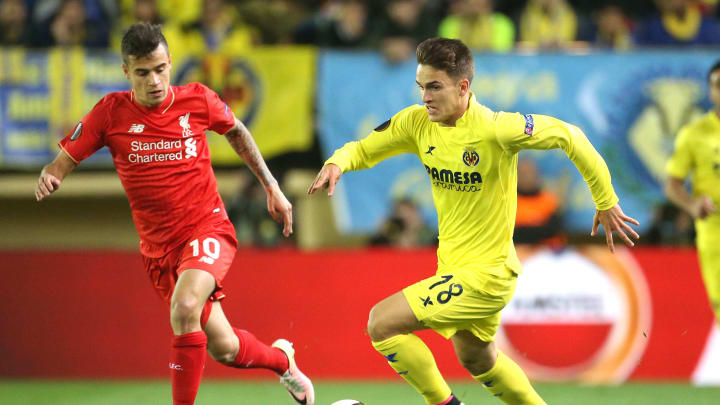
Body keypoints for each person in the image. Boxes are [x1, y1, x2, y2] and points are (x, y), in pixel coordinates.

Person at [308, 38, 639, 405]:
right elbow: (364, 148)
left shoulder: (497, 129)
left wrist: (606, 200)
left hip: (487, 275)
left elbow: (570, 136)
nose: (425, 98)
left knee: (381, 323)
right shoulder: (417, 124)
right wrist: (338, 161)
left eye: (434, 87)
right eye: (421, 87)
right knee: (478, 358)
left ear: (463, 87)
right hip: (453, 268)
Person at [34, 23, 313, 405]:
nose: (154, 80)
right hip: (159, 251)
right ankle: (283, 362)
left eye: (161, 69)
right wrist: (52, 174)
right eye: (143, 72)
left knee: (184, 309)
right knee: (225, 348)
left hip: (207, 228)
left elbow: (237, 131)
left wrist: (271, 185)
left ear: (170, 64)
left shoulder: (196, 99)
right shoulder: (111, 113)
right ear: (126, 72)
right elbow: (66, 156)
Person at [665, 60, 720, 325]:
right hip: (714, 231)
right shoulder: (694, 133)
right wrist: (691, 206)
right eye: (719, 85)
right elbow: (672, 184)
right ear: (711, 92)